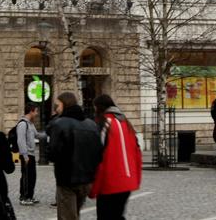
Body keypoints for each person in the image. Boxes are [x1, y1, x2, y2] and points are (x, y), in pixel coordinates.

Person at [47, 92, 103, 220]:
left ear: (64, 104)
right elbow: (99, 152)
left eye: (58, 105)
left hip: (67, 178)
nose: (56, 108)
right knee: (75, 213)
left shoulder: (60, 123)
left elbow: (53, 153)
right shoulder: (91, 124)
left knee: (67, 216)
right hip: (87, 179)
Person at [89, 95, 142, 220]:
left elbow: (97, 156)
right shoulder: (126, 122)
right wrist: (136, 179)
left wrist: (93, 186)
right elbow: (137, 153)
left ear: (98, 107)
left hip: (110, 182)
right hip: (127, 181)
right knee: (118, 215)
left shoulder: (104, 123)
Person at [17, 103, 47, 206]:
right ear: (31, 111)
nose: (37, 113)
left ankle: (30, 196)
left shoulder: (30, 124)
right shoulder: (22, 124)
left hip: (31, 155)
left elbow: (37, 135)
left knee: (32, 177)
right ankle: (24, 197)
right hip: (26, 155)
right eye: (36, 111)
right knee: (26, 177)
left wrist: (49, 135)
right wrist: (25, 155)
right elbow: (21, 141)